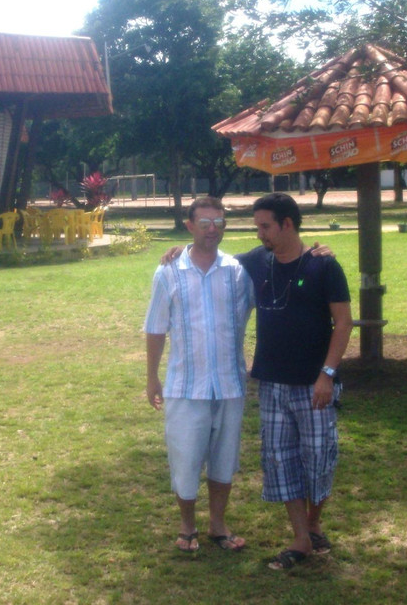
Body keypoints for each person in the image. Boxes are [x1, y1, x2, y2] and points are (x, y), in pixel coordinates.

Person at [237, 192, 352, 570]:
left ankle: (314, 523)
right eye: (257, 226)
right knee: (280, 459)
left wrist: (328, 375)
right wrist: (179, 251)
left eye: (265, 226)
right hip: (271, 382)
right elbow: (214, 261)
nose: (259, 233)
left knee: (319, 457)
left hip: (314, 384)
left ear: (288, 224)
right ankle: (301, 537)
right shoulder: (256, 262)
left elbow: (344, 323)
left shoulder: (324, 266)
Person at [144, 196, 255, 554]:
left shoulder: (238, 272)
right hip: (185, 385)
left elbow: (281, 277)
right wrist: (152, 377)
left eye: (219, 222)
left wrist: (317, 253)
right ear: (189, 225)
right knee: (186, 459)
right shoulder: (169, 272)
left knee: (225, 460)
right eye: (205, 222)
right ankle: (187, 525)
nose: (213, 229)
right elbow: (156, 328)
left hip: (229, 384)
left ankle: (218, 526)